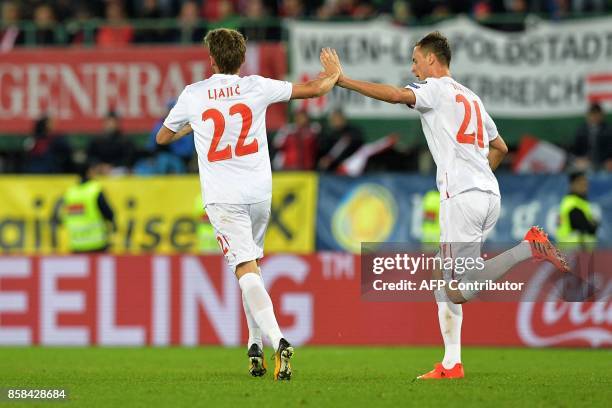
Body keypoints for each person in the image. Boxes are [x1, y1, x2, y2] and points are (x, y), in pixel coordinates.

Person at [320, 32, 569, 380]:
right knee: (441, 275)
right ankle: (452, 362)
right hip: (487, 193)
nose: (413, 67)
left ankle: (529, 248)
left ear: (432, 60)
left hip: (464, 198)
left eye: (415, 60)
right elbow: (500, 148)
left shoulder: (435, 89)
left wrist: (342, 79)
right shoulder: (473, 98)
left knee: (458, 289)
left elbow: (394, 95)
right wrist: (478, 176)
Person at [156, 28, 338, 380]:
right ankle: (254, 345)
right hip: (259, 194)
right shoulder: (256, 85)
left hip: (223, 198)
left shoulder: (194, 94)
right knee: (250, 265)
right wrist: (333, 73)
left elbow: (162, 136)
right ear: (242, 60)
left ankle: (278, 339)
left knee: (243, 268)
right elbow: (316, 88)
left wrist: (192, 126)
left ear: (211, 60)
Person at [55, 161, 116, 253]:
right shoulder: (95, 189)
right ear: (89, 171)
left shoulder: (70, 192)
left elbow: (61, 217)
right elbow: (109, 213)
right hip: (97, 243)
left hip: (76, 244)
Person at [556, 170, 598, 251]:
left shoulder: (571, 201)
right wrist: (593, 224)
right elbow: (586, 228)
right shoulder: (573, 204)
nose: (585, 187)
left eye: (586, 184)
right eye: (581, 184)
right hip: (575, 250)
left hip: (569, 251)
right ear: (572, 185)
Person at [571, 103, 612, 171]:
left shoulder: (609, 130)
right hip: (586, 162)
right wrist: (579, 159)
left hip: (605, 161)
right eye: (592, 114)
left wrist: (609, 159)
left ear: (602, 115)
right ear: (587, 116)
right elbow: (576, 150)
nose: (594, 117)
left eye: (597, 114)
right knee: (576, 169)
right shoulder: (581, 130)